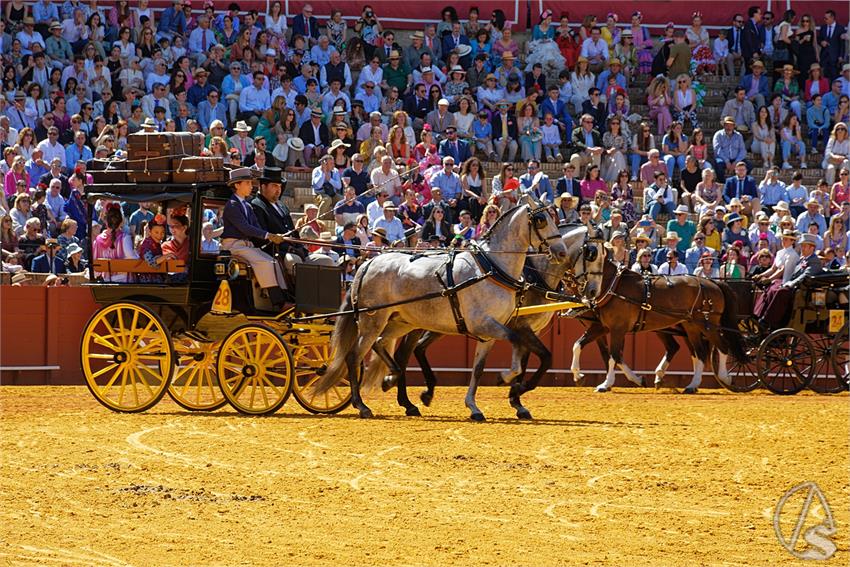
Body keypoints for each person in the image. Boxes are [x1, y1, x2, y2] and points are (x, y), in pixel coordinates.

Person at [220, 167, 288, 305]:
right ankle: (278, 303)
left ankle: (286, 297)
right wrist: (269, 235)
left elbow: (256, 227)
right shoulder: (232, 205)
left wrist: (276, 236)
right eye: (248, 183)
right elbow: (245, 228)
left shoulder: (247, 206)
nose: (251, 186)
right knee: (265, 262)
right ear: (237, 185)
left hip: (245, 246)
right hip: (234, 246)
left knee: (275, 262)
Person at [755, 234, 823, 329]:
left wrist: (790, 284)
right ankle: (759, 314)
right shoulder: (802, 258)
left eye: (805, 246)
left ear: (812, 248)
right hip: (795, 286)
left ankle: (768, 320)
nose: (802, 248)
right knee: (773, 286)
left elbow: (805, 276)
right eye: (802, 246)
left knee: (781, 291)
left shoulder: (814, 261)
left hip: (802, 289)